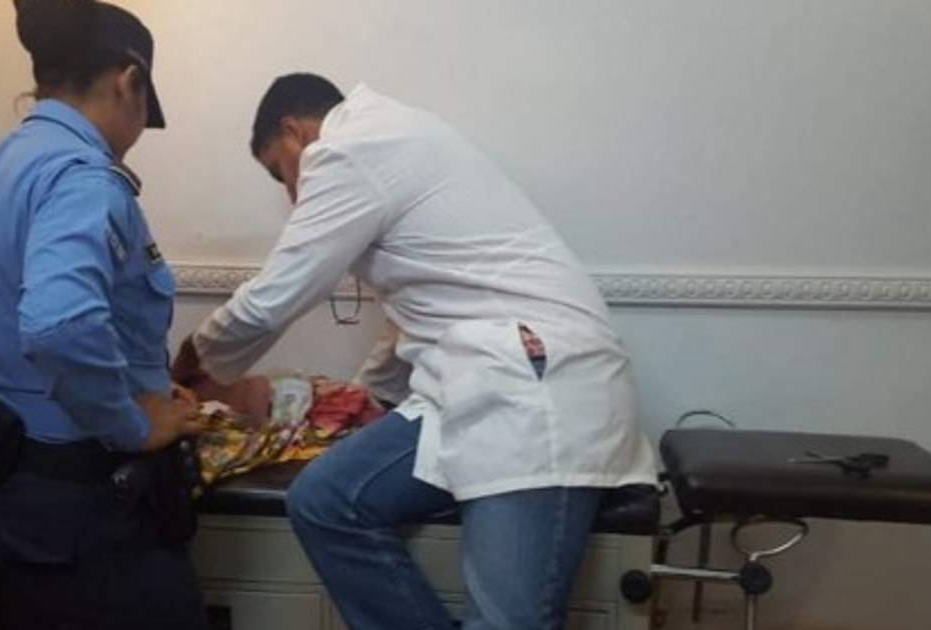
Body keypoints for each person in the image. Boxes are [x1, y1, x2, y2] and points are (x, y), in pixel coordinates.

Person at [173, 73, 659, 630]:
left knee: (507, 622)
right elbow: (415, 309)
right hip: (476, 382)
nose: (291, 195)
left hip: (535, 385)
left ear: (295, 131)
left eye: (281, 172)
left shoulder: (348, 150)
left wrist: (194, 360)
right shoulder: (395, 138)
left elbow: (274, 298)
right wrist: (367, 396)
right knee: (326, 500)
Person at [0, 1, 209, 628]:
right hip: (94, 514)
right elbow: (61, 326)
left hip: (7, 496)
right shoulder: (84, 181)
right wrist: (130, 423)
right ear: (128, 82)